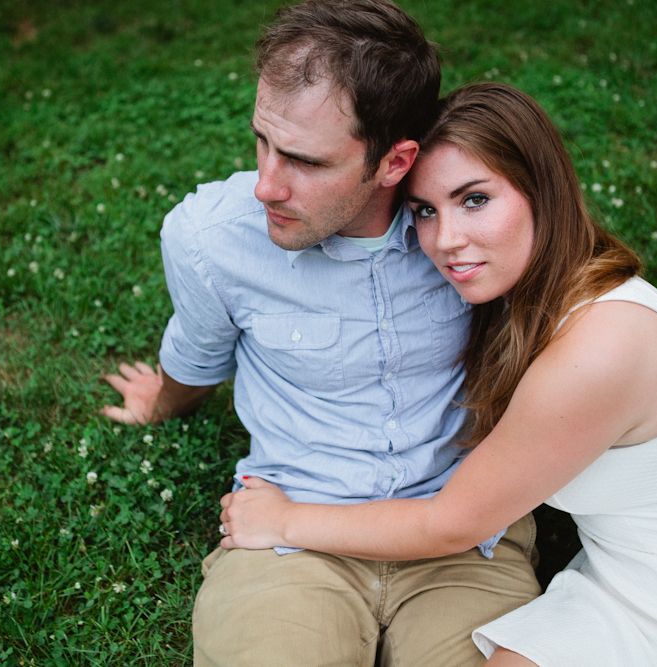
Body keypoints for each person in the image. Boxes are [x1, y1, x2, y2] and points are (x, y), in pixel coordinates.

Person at [217, 82, 657, 666]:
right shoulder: (531, 298)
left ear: (540, 188)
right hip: (623, 576)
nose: (446, 241)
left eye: (474, 200)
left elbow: (450, 525)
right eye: (425, 211)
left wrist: (285, 519)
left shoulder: (604, 346)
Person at [101, 3, 540, 665]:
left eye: (304, 160)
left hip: (463, 540)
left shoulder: (462, 236)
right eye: (262, 142)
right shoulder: (209, 238)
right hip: (288, 539)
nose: (266, 186)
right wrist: (159, 401)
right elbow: (198, 358)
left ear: (394, 163)